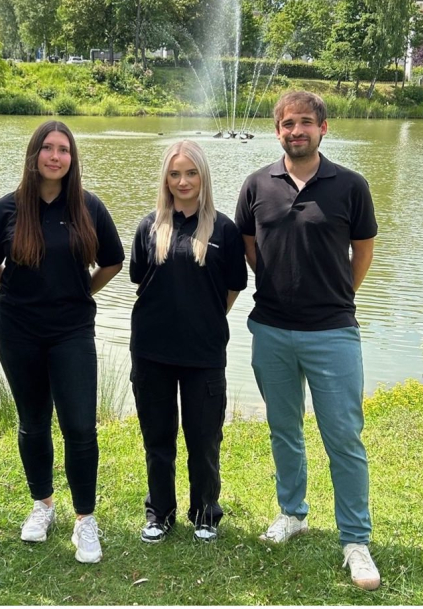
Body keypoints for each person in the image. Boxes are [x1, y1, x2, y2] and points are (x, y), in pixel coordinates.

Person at [234, 90, 380, 590]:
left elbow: (362, 251)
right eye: (287, 124)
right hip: (271, 329)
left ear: (323, 128)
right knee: (284, 428)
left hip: (333, 332)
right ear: (277, 131)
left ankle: (355, 540)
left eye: (305, 123)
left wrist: (335, 296)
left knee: (343, 435)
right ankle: (292, 513)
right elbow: (250, 248)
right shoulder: (256, 185)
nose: (296, 131)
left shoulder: (350, 186)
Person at [0, 120, 124, 564]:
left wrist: (77, 293)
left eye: (64, 149)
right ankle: (42, 504)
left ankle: (85, 519)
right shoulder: (7, 210)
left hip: (71, 331)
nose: (56, 156)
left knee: (80, 425)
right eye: (48, 148)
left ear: (72, 159)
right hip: (18, 330)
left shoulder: (88, 208)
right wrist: (24, 291)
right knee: (32, 420)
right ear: (34, 155)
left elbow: (114, 262)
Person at [129, 140, 247, 544]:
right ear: (166, 177)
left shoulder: (225, 229)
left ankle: (205, 513)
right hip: (151, 351)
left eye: (191, 173)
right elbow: (139, 280)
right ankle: (159, 513)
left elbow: (232, 287)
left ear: (203, 177)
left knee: (203, 439)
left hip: (204, 354)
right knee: (158, 438)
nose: (183, 181)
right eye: (175, 173)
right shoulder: (149, 226)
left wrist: (205, 318)